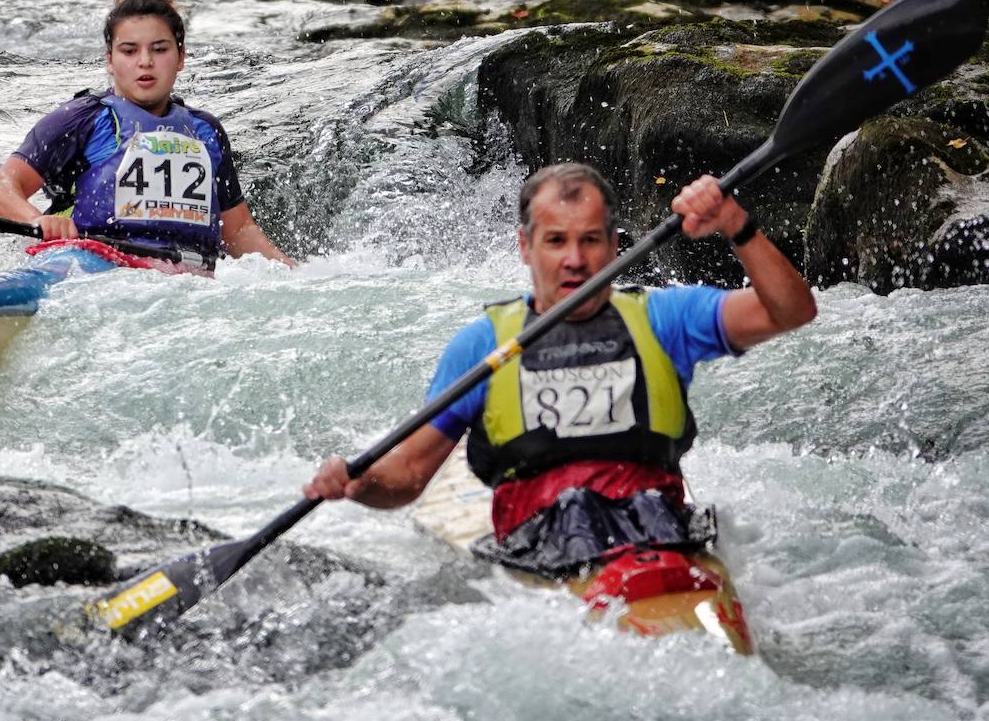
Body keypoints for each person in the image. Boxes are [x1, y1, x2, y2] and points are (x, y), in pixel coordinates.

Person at [304, 162, 817, 571]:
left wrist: (737, 226)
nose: (575, 259)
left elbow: (790, 311)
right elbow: (412, 474)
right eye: (556, 241)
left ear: (616, 246)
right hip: (539, 552)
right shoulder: (484, 345)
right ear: (526, 248)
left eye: (590, 239)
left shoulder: (666, 320)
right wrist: (357, 482)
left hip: (661, 536)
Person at [0, 0, 294, 272]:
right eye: (129, 51)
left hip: (188, 278)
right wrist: (37, 220)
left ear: (181, 57)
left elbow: (239, 231)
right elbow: (0, 189)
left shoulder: (206, 131)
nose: (145, 62)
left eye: (159, 49)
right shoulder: (80, 120)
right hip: (88, 266)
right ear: (109, 59)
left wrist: (295, 275)